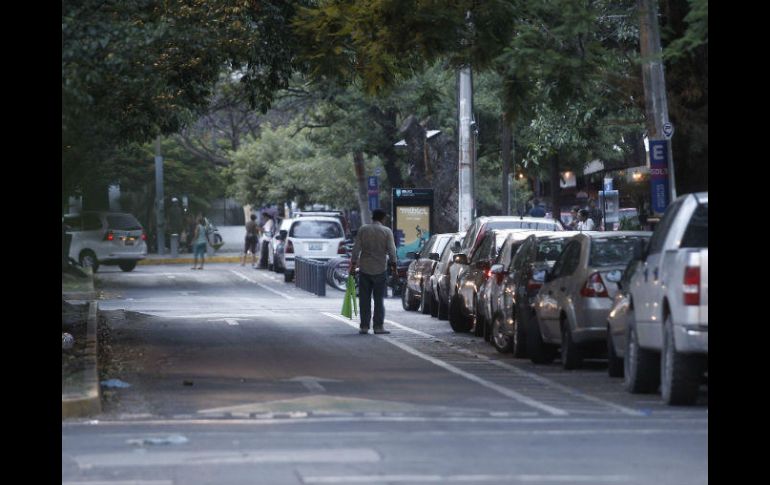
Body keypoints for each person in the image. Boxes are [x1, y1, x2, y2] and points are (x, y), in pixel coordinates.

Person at [349, 209, 398, 335]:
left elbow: (356, 249)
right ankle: (378, 327)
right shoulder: (387, 231)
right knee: (378, 300)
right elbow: (392, 251)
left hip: (365, 269)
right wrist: (394, 266)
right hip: (380, 269)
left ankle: (364, 326)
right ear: (383, 218)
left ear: (373, 217)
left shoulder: (363, 230)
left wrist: (353, 265)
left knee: (364, 300)